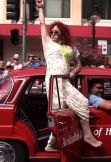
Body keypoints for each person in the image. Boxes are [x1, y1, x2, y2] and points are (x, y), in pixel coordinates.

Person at [36, 0, 102, 151]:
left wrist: (73, 71)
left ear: (62, 34)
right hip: (53, 83)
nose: (52, 34)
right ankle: (51, 144)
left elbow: (79, 64)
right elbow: (41, 24)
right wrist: (40, 7)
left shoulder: (71, 48)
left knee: (83, 103)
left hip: (65, 82)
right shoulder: (47, 43)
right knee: (57, 112)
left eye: (56, 32)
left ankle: (87, 135)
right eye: (51, 31)